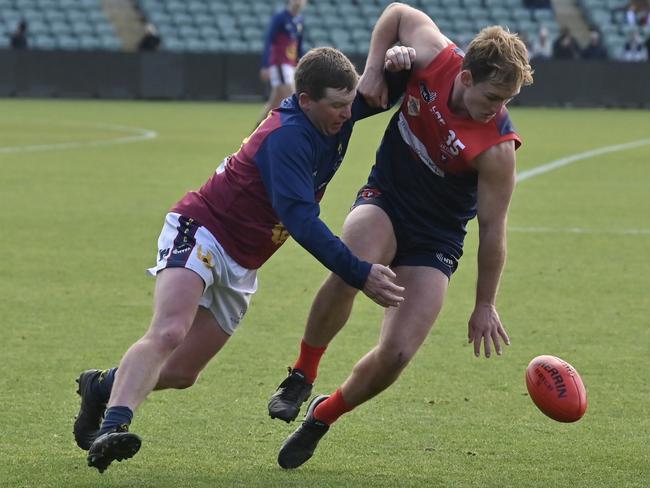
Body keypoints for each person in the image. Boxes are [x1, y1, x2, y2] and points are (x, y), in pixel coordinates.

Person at [73, 46, 409, 473]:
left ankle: (100, 386)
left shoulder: (331, 109)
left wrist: (401, 63)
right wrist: (360, 273)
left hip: (244, 259)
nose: (348, 114)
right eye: (339, 106)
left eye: (349, 103)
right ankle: (113, 429)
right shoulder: (287, 137)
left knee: (181, 372)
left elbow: (381, 93)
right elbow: (302, 223)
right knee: (170, 330)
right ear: (306, 101)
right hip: (204, 230)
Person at [269, 2, 533, 470]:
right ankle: (302, 373)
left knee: (397, 353)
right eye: (494, 98)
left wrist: (485, 303)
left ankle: (323, 415)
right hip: (386, 198)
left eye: (507, 101)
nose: (499, 110)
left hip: (437, 238)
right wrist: (373, 69)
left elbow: (493, 231)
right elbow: (395, 12)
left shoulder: (497, 149)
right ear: (466, 78)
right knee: (354, 265)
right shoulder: (434, 54)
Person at [256, 0, 307, 127]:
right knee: (294, 98)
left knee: (274, 103)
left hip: (290, 65)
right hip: (279, 64)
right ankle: (297, 131)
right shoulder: (280, 17)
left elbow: (299, 46)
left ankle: (255, 133)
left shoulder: (299, 21)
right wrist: (265, 65)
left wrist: (301, 64)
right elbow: (269, 40)